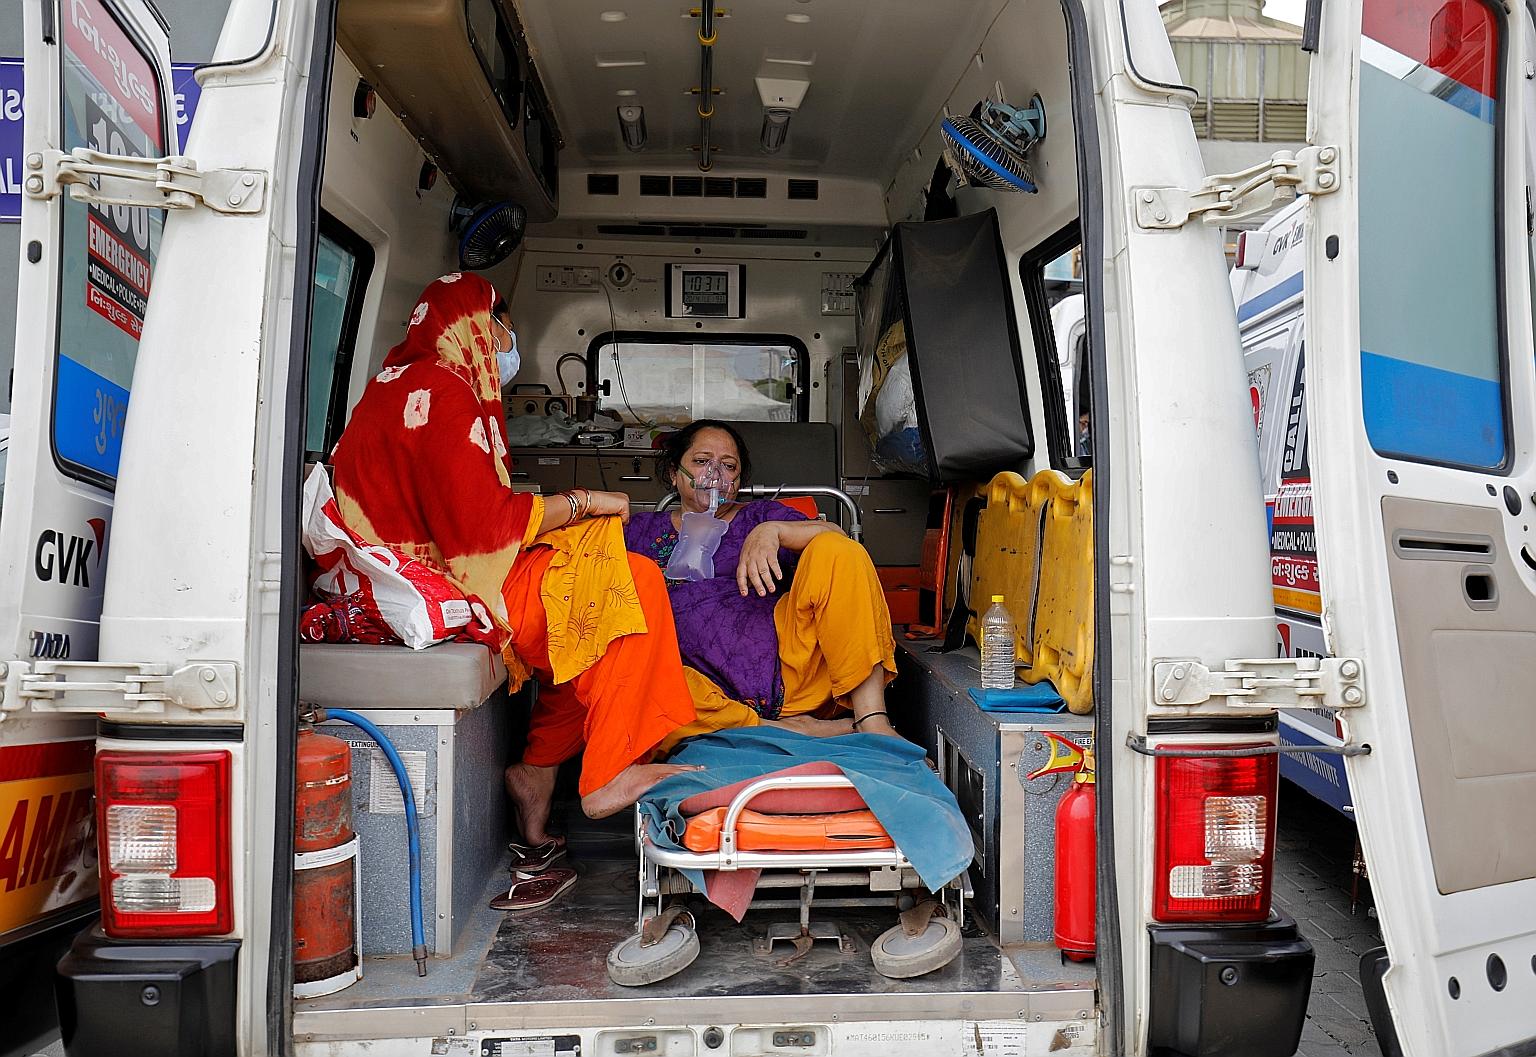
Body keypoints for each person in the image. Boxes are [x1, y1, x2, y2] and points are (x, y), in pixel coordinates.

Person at [328, 273, 699, 864]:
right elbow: (482, 528)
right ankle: (609, 776)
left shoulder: (395, 384)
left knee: (587, 608)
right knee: (629, 585)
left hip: (405, 571)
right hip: (440, 581)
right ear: (472, 326)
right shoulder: (442, 390)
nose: (508, 339)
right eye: (500, 323)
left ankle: (537, 772)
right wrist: (583, 503)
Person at [624, 420, 899, 746]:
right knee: (636, 681)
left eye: (728, 466)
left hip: (792, 674)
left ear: (738, 480)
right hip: (698, 691)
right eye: (701, 461)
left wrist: (775, 532)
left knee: (838, 550)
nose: (715, 474)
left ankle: (871, 718)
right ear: (674, 472)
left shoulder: (761, 517)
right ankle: (786, 729)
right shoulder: (640, 532)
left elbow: (840, 545)